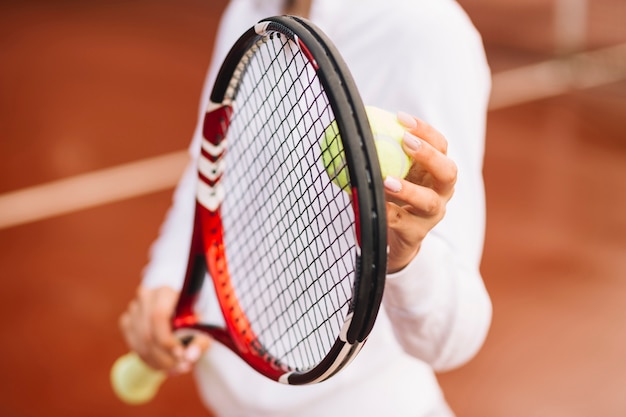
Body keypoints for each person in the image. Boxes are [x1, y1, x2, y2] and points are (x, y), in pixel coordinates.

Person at [119, 0, 492, 415]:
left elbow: (454, 339)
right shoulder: (250, 10)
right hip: (227, 401)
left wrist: (406, 258)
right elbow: (210, 169)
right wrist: (167, 282)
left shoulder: (425, 29)